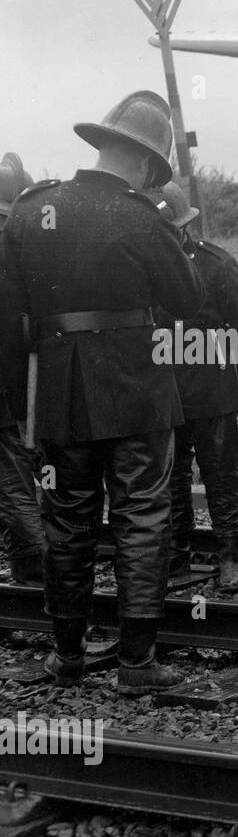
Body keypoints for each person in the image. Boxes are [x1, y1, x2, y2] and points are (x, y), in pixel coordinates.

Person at [1, 91, 204, 695]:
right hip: (137, 389)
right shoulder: (143, 216)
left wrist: (24, 407)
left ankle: (67, 659)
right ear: (145, 165)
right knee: (143, 513)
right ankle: (136, 667)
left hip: (60, 393)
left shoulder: (33, 210)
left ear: (102, 144)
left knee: (67, 518)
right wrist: (174, 225)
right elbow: (189, 300)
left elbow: (10, 320)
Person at [151, 181, 238, 593]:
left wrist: (231, 369)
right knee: (171, 477)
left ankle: (230, 557)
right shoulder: (146, 268)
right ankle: (177, 555)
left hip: (212, 387)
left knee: (220, 474)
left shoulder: (215, 264)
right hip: (165, 390)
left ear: (184, 228)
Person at [0, 151, 43, 586]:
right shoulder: (21, 253)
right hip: (19, 394)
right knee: (18, 481)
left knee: (11, 485)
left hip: (8, 396)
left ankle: (37, 566)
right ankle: (29, 568)